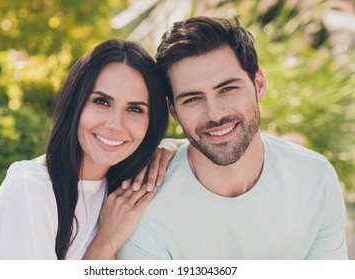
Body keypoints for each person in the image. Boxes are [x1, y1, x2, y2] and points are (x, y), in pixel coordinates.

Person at [116, 16, 348, 259]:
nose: (214, 114)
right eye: (193, 99)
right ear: (174, 111)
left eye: (227, 89)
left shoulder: (315, 180)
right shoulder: (145, 211)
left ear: (258, 84)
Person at [0, 39, 176, 260]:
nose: (115, 124)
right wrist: (105, 242)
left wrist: (166, 146)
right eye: (102, 102)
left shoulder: (123, 186)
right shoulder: (31, 188)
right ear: (76, 103)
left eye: (134, 109)